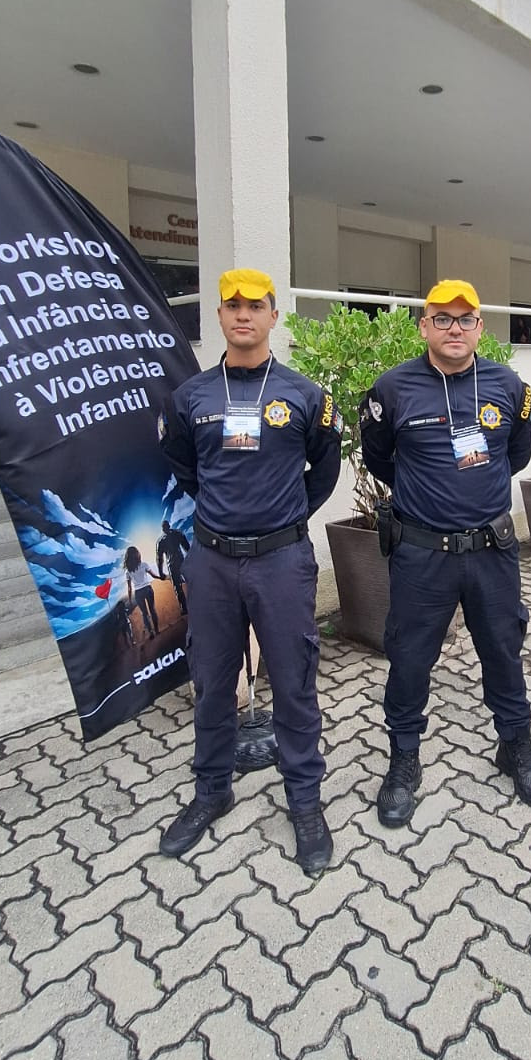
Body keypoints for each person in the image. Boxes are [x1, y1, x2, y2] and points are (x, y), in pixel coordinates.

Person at [158, 268, 343, 874]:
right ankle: (213, 789)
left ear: (274, 316)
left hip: (282, 561)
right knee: (212, 680)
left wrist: (281, 521)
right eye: (232, 305)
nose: (243, 315)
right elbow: (186, 468)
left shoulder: (304, 395)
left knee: (294, 680)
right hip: (211, 561)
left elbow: (322, 472)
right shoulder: (191, 398)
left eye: (255, 306)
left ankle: (305, 800)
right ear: (219, 317)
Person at [360, 279, 531, 828]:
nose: (454, 328)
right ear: (423, 326)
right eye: (442, 318)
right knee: (409, 659)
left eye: (465, 319)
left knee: (503, 650)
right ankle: (403, 760)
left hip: (491, 551)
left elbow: (515, 454)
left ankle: (515, 746)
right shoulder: (392, 389)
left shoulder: (508, 386)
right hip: (422, 554)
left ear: (480, 328)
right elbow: (380, 459)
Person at [123, 545, 162, 638]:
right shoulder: (144, 564)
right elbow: (153, 575)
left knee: (144, 613)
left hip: (138, 593)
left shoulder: (128, 571)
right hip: (148, 589)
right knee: (152, 610)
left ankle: (151, 633)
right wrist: (161, 577)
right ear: (137, 554)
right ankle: (157, 630)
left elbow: (129, 588)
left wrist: (129, 599)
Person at [156, 519, 190, 614]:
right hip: (179, 562)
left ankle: (184, 607)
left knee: (178, 586)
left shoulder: (161, 541)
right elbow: (187, 547)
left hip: (173, 564)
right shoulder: (177, 534)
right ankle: (186, 606)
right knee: (185, 582)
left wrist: (160, 572)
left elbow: (159, 559)